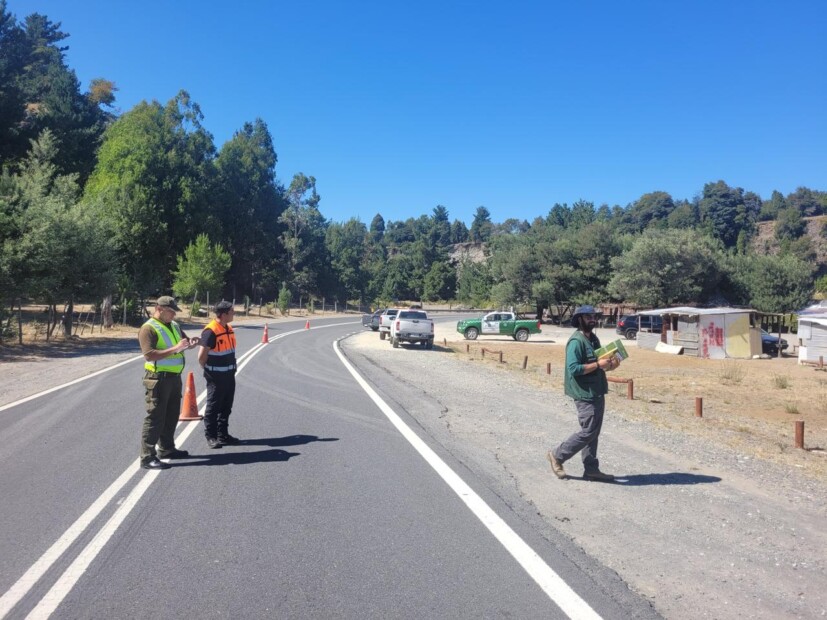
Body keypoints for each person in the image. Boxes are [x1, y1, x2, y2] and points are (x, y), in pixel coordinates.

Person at [547, 305, 619, 482]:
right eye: (588, 317)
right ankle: (557, 455)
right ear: (579, 319)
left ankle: (591, 469)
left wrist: (611, 363)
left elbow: (600, 361)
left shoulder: (593, 339)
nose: (592, 319)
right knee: (588, 432)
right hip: (584, 393)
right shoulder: (576, 342)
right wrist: (598, 365)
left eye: (593, 316)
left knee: (594, 432)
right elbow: (574, 368)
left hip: (597, 390)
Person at [138, 296, 200, 470]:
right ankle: (147, 457)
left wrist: (191, 343)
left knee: (171, 415)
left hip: (174, 378)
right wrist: (176, 348)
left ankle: (166, 448)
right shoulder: (148, 328)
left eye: (174, 311)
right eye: (171, 311)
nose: (174, 314)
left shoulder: (174, 325)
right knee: (155, 417)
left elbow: (184, 343)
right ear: (159, 308)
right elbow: (149, 354)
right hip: (158, 378)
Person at [198, 301, 239, 449]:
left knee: (226, 406)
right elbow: (201, 356)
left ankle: (223, 435)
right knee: (213, 406)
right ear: (223, 314)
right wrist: (208, 370)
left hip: (229, 374)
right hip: (215, 376)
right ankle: (211, 436)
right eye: (232, 311)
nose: (234, 313)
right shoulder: (210, 331)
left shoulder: (227, 328)